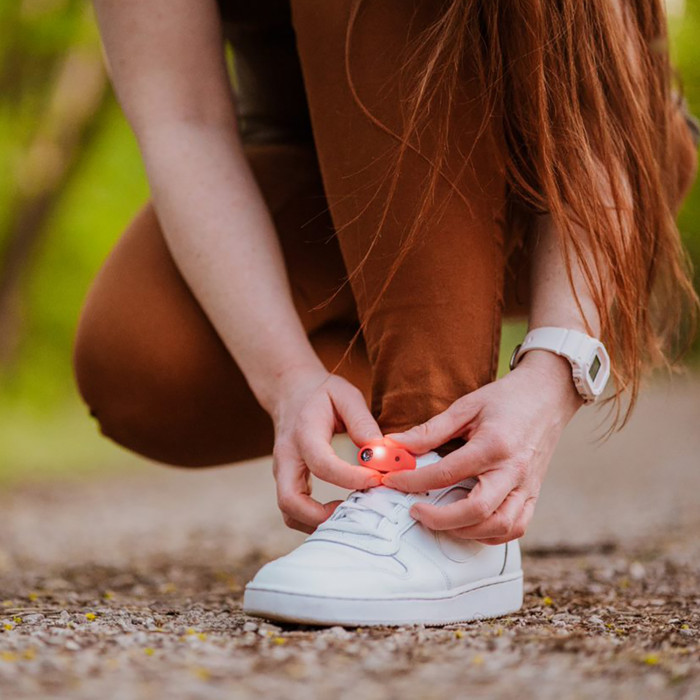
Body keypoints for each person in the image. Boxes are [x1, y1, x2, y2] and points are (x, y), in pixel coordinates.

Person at [74, 0, 699, 625]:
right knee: (145, 362)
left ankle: (439, 474)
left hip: (568, 164)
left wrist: (556, 364)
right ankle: (424, 399)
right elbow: (184, 122)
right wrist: (287, 379)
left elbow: (591, 90)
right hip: (319, 175)